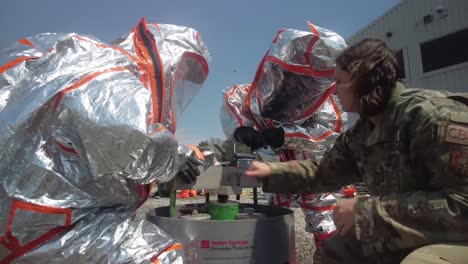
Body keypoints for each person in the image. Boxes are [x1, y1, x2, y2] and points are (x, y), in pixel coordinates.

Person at [0, 18, 209, 263]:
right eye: (185, 67)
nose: (183, 76)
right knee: (161, 258)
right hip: (43, 228)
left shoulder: (102, 66)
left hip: (55, 218)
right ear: (164, 55)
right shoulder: (110, 70)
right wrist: (177, 158)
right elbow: (130, 140)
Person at [244, 38, 468, 263]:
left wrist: (367, 212)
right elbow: (323, 173)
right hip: (416, 231)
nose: (334, 92)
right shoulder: (362, 133)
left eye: (339, 82)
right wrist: (270, 173)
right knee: (335, 252)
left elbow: (462, 204)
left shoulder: (432, 119)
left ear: (364, 79)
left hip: (457, 238)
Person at [221, 22, 348, 247]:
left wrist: (283, 135)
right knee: (276, 219)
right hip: (275, 170)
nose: (297, 86)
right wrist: (241, 129)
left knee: (327, 222)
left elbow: (330, 132)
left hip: (314, 169)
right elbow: (233, 100)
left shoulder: (325, 102)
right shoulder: (251, 95)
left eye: (306, 81)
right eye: (290, 77)